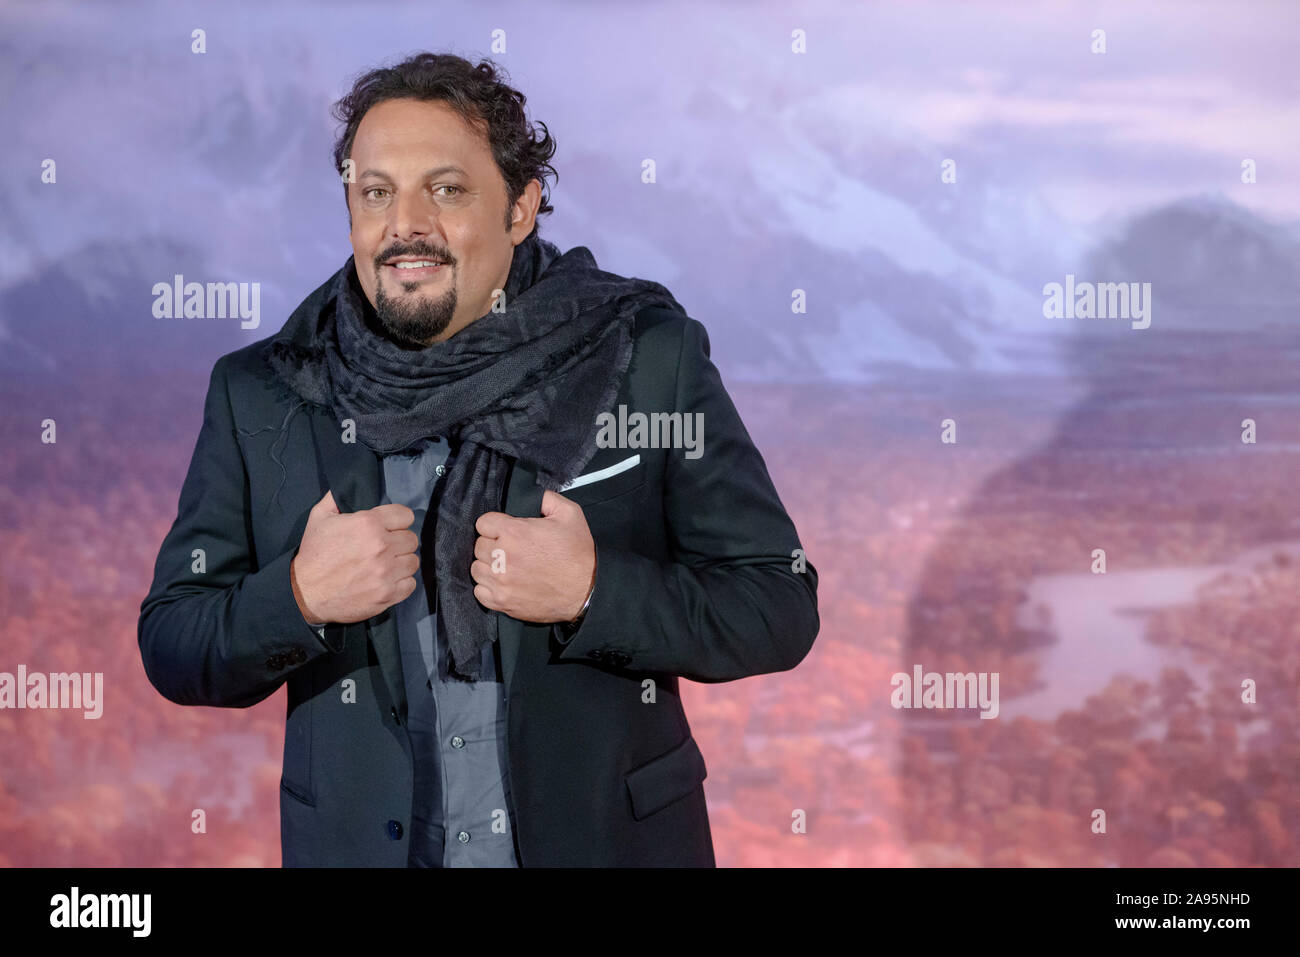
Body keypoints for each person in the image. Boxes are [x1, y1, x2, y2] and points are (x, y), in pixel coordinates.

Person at [137, 51, 819, 867]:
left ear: (522, 206)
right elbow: (174, 639)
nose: (406, 224)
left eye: (448, 189)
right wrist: (298, 597)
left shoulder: (644, 358)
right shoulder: (264, 393)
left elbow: (778, 601)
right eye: (376, 191)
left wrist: (595, 593)